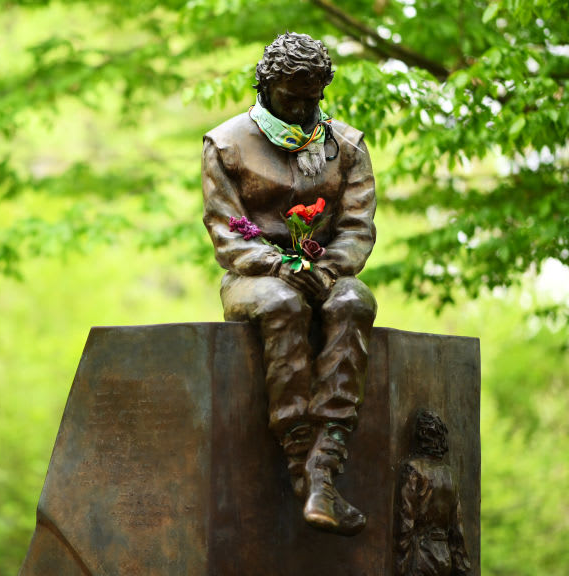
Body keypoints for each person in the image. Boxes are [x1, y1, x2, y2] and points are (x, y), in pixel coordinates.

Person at [201, 32, 377, 535]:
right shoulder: (226, 143)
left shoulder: (347, 146)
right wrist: (279, 266)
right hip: (255, 277)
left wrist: (329, 268)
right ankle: (300, 458)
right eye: (290, 97)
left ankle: (327, 463)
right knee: (282, 304)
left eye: (311, 99)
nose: (301, 109)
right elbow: (224, 230)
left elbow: (357, 228)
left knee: (354, 302)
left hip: (326, 274)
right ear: (266, 86)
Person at [395, 411, 472, 575]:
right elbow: (456, 526)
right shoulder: (449, 475)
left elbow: (406, 521)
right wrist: (461, 564)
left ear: (421, 435)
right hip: (444, 556)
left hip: (421, 555)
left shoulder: (413, 469)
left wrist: (401, 563)